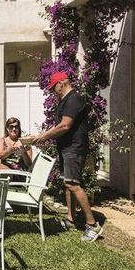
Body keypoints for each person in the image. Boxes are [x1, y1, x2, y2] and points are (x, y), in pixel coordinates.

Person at [33, 71, 103, 242]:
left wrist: (44, 136)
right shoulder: (66, 100)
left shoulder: (73, 98)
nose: (53, 91)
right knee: (67, 183)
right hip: (66, 148)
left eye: (53, 87)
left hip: (73, 147)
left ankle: (92, 224)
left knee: (73, 184)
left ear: (61, 83)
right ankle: (71, 219)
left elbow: (65, 126)